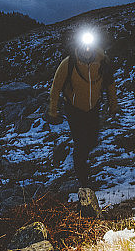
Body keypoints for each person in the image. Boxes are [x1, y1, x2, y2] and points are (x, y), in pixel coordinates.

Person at [47, 29, 118, 188]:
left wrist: (113, 106)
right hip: (74, 109)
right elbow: (56, 87)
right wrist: (53, 110)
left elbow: (110, 85)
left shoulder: (102, 62)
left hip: (93, 108)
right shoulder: (68, 63)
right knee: (80, 143)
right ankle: (83, 179)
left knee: (92, 140)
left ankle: (83, 162)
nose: (87, 49)